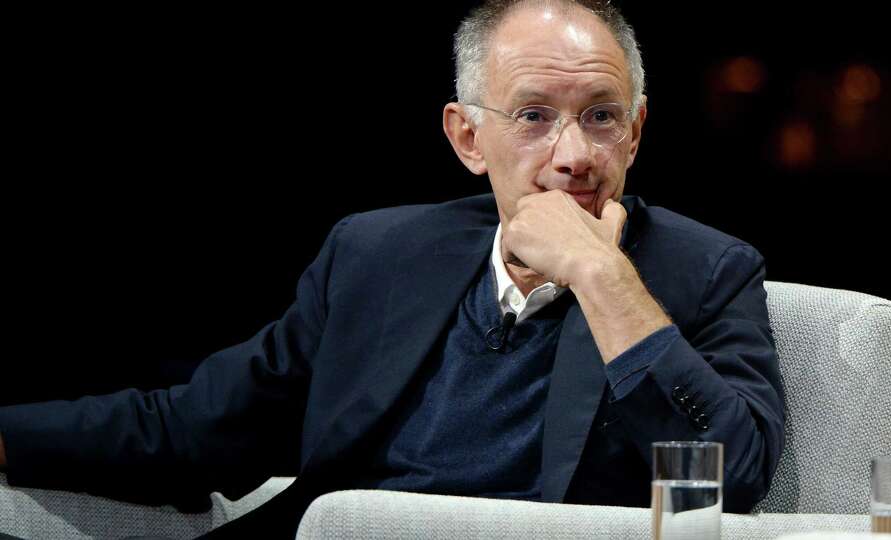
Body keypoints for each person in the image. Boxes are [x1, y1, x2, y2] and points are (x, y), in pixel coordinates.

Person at [0, 1, 785, 537]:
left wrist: (601, 277)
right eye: (534, 116)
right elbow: (199, 428)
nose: (574, 156)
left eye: (601, 116)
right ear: (468, 138)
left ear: (637, 131)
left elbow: (730, 479)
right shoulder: (379, 255)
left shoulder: (704, 273)